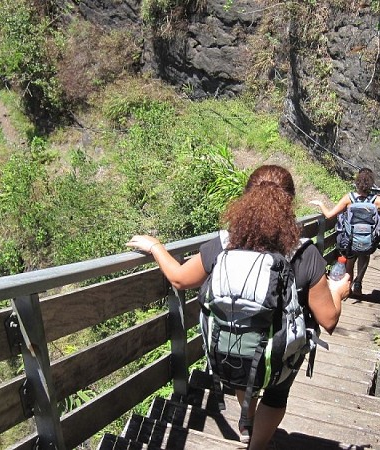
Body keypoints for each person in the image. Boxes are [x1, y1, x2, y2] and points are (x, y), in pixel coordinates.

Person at [127, 165, 350, 450]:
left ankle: (246, 419)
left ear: (245, 200)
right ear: (289, 203)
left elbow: (179, 279)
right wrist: (338, 291)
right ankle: (256, 445)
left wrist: (156, 247)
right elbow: (328, 320)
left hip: (232, 351)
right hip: (280, 357)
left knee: (246, 356)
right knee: (276, 392)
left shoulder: (223, 245)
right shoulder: (305, 254)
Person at [309, 167, 380, 295]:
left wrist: (320, 204)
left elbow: (329, 215)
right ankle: (359, 283)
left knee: (350, 264)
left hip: (350, 241)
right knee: (365, 256)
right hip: (368, 240)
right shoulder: (376, 200)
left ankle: (348, 289)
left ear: (357, 182)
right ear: (371, 184)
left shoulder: (349, 198)